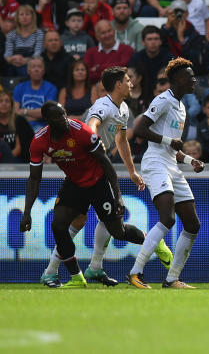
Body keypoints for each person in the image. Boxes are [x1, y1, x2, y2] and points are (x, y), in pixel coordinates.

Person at [38, 67, 166, 286]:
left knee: (92, 221)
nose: (131, 84)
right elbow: (91, 125)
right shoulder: (102, 106)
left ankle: (90, 268)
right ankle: (57, 270)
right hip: (92, 169)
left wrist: (132, 171)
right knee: (104, 222)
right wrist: (94, 141)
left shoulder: (123, 108)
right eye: (128, 80)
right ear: (118, 84)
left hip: (98, 168)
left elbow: (122, 140)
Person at [21, 102, 147, 288]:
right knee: (58, 225)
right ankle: (76, 277)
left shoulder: (81, 131)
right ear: (47, 120)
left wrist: (118, 196)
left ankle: (153, 241)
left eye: (63, 113)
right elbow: (34, 179)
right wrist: (27, 211)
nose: (63, 119)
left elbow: (106, 164)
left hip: (98, 182)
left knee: (118, 232)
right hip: (74, 183)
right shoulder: (39, 141)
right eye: (57, 116)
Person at [126, 58, 205, 289]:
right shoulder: (163, 100)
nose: (194, 80)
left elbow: (174, 147)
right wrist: (170, 140)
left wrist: (191, 161)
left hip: (172, 164)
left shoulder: (182, 107)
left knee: (192, 224)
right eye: (189, 76)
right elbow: (140, 129)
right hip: (155, 163)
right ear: (177, 79)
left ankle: (172, 279)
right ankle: (135, 272)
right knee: (168, 217)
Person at [13, 57, 57, 131]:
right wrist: (37, 115)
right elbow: (16, 112)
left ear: (43, 70)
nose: (36, 69)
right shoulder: (19, 88)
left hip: (43, 128)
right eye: (33, 67)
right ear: (28, 71)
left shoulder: (51, 88)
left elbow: (47, 113)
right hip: (22, 127)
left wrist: (24, 111)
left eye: (39, 67)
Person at [84, 20, 134, 86]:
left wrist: (98, 68)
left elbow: (124, 69)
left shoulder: (127, 50)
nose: (107, 35)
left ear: (114, 31)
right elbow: (87, 74)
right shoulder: (90, 53)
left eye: (109, 31)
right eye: (103, 33)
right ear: (97, 36)